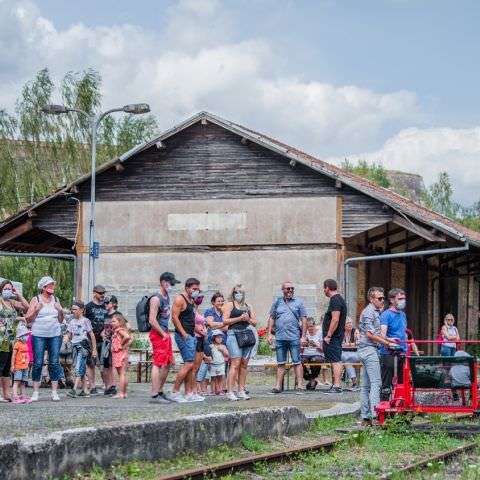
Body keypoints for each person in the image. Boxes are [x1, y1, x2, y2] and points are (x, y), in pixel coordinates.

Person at [358, 287, 398, 426]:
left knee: (365, 386)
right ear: (371, 299)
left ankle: (366, 418)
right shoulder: (369, 312)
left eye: (383, 298)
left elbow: (376, 333)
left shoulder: (374, 311)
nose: (382, 301)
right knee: (377, 383)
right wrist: (386, 344)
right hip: (369, 350)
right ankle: (377, 415)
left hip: (366, 349)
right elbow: (370, 334)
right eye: (379, 298)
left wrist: (388, 340)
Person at [25, 276, 64, 401]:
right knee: (38, 363)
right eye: (49, 285)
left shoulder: (56, 299)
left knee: (54, 362)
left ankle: (54, 392)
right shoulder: (35, 299)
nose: (52, 287)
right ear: (43, 287)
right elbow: (28, 319)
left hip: (55, 334)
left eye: (53, 285)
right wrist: (36, 310)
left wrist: (60, 311)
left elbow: (61, 320)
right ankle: (35, 392)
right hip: (38, 334)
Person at [267, 281, 307, 395]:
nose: (290, 290)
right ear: (283, 290)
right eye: (288, 288)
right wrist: (269, 333)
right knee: (280, 363)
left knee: (297, 362)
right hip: (280, 337)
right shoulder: (277, 302)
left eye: (292, 288)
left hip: (294, 337)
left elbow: (304, 319)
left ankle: (299, 386)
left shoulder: (299, 302)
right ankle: (278, 386)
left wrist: (303, 336)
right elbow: (271, 317)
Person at [169, 278, 203, 403]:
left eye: (197, 289)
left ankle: (189, 393)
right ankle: (175, 392)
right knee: (188, 364)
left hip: (191, 335)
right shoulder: (180, 299)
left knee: (191, 365)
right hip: (184, 335)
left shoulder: (192, 300)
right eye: (194, 289)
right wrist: (183, 334)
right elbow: (174, 317)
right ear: (187, 288)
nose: (196, 291)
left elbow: (192, 318)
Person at [148, 272, 180, 404]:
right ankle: (155, 395)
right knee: (158, 363)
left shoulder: (166, 297)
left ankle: (160, 391)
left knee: (167, 363)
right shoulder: (156, 299)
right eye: (170, 283)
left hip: (164, 333)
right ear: (163, 282)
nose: (172, 286)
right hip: (158, 333)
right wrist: (162, 334)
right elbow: (152, 320)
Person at [224, 284, 257, 401]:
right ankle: (229, 391)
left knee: (244, 364)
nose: (238, 294)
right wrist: (239, 319)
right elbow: (225, 320)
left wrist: (248, 319)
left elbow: (254, 322)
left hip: (246, 334)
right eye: (236, 292)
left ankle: (241, 390)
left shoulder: (248, 306)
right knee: (235, 363)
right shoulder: (229, 305)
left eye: (240, 292)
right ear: (233, 294)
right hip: (233, 334)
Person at [0, 279, 29, 402]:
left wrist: (19, 295)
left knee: (6, 368)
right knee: (0, 366)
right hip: (1, 338)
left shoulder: (11, 302)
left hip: (10, 339)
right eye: (5, 288)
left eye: (9, 289)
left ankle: (6, 394)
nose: (7, 291)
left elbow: (26, 307)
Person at [379, 288, 408, 401]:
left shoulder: (403, 315)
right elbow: (382, 335)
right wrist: (390, 340)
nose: (403, 301)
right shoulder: (386, 315)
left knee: (402, 383)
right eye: (400, 299)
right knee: (387, 384)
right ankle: (385, 408)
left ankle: (400, 408)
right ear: (391, 300)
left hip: (402, 352)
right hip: (388, 353)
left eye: (404, 299)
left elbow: (404, 333)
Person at [322, 279, 347, 395]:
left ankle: (337, 385)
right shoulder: (338, 299)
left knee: (336, 360)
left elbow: (335, 319)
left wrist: (328, 335)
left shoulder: (335, 300)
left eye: (324, 288)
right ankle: (335, 384)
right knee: (334, 360)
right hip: (336, 336)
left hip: (333, 337)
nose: (324, 290)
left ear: (327, 287)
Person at [66, 301, 97, 398]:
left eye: (75, 309)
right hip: (74, 346)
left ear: (82, 310)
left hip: (83, 346)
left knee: (78, 367)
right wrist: (66, 337)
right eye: (72, 309)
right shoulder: (71, 321)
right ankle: (85, 390)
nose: (73, 311)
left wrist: (94, 349)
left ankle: (74, 389)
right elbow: (70, 334)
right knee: (81, 368)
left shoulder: (85, 321)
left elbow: (92, 335)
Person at [84, 285, 108, 394]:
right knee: (91, 363)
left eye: (103, 293)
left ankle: (107, 385)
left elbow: (110, 319)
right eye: (100, 293)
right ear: (94, 293)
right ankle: (92, 386)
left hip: (103, 339)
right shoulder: (88, 307)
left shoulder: (106, 306)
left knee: (104, 364)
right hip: (90, 339)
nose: (102, 295)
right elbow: (84, 321)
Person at [100, 295, 120, 396]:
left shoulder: (117, 315)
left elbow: (126, 326)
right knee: (106, 365)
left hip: (114, 343)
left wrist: (117, 334)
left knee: (113, 365)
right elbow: (106, 327)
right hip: (106, 342)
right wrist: (103, 332)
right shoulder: (106, 315)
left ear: (114, 304)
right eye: (105, 302)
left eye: (107, 303)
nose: (105, 304)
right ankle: (108, 386)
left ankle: (113, 385)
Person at [111, 313, 132, 399]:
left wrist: (121, 344)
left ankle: (121, 393)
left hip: (119, 354)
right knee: (123, 374)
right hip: (122, 353)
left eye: (114, 321)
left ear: (119, 322)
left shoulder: (119, 330)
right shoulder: (122, 329)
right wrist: (124, 345)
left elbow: (127, 337)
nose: (112, 323)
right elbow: (130, 339)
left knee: (121, 374)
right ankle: (124, 392)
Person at [10, 324, 32, 403]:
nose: (26, 336)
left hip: (25, 367)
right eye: (25, 335)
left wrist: (28, 364)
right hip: (18, 367)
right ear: (20, 336)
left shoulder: (25, 344)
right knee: (17, 381)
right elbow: (13, 356)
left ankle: (23, 395)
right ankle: (15, 396)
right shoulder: (17, 344)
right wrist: (12, 365)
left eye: (27, 335)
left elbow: (27, 355)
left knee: (23, 382)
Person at [301, 317, 324, 391]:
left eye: (311, 326)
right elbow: (300, 349)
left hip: (317, 354)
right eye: (307, 327)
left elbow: (322, 350)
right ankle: (312, 380)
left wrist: (316, 345)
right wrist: (303, 345)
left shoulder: (320, 332)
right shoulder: (304, 333)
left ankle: (312, 379)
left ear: (314, 325)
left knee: (315, 360)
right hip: (305, 354)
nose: (309, 328)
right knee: (300, 361)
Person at [342, 317, 360, 389]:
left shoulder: (355, 331)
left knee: (345, 359)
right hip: (345, 355)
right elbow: (340, 344)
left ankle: (351, 381)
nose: (350, 324)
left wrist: (348, 344)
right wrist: (352, 344)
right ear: (343, 325)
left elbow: (358, 343)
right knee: (347, 362)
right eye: (348, 323)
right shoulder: (341, 332)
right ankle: (354, 383)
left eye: (351, 323)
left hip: (355, 354)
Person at [210, 329, 229, 394]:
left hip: (221, 364)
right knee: (213, 378)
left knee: (220, 378)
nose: (220, 339)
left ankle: (220, 390)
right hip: (213, 364)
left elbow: (227, 354)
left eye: (221, 338)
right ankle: (213, 391)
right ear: (214, 338)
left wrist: (222, 350)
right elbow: (209, 354)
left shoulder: (223, 346)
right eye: (218, 337)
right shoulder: (211, 346)